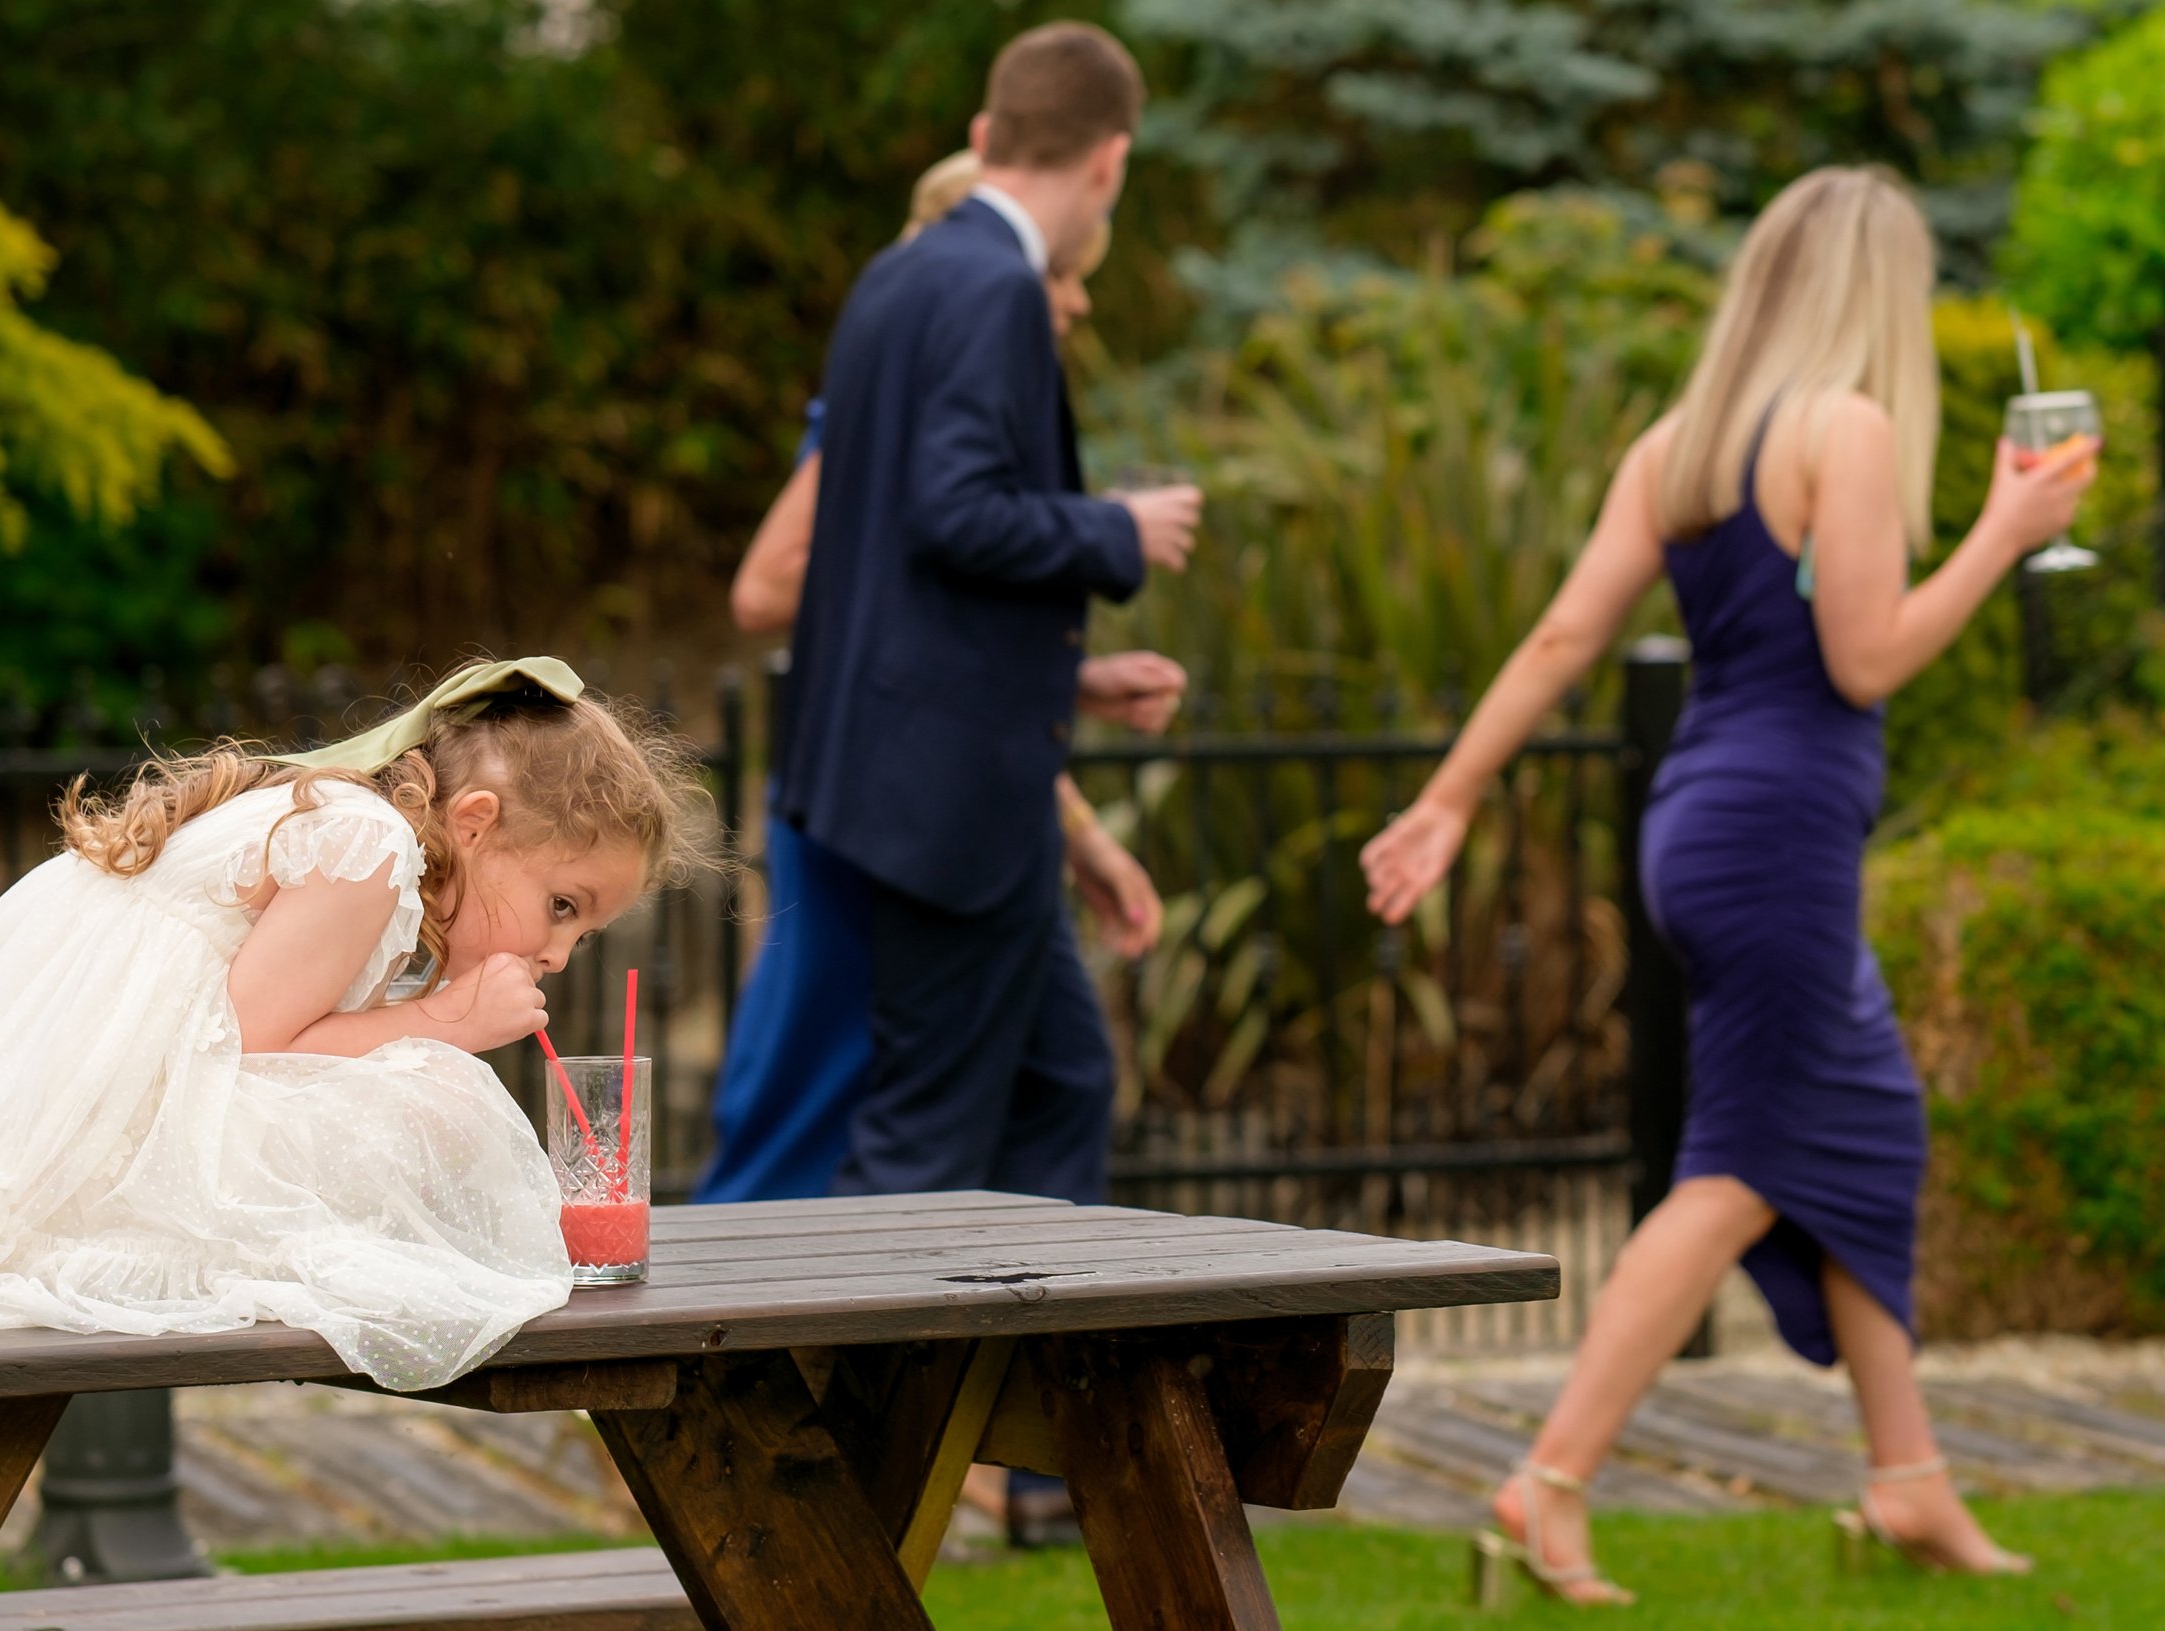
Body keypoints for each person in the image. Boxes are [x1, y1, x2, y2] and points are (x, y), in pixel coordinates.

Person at [1361, 166, 2097, 1603]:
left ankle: (1911, 1480)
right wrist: (2007, 541)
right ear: (1874, 291)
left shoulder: (1678, 444)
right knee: (1737, 1166)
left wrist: (1448, 796)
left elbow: (1567, 634)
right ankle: (1547, 1483)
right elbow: (1869, 660)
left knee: (1870, 1120)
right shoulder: (1852, 428)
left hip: (1698, 817)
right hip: (1780, 838)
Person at [0, 659, 710, 1393]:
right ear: (477, 822)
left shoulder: (365, 835)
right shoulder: (365, 845)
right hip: (92, 1109)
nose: (557, 952)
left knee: (419, 1093)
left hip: (85, 1081)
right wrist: (445, 1018)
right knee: (435, 1096)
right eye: (564, 906)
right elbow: (246, 1049)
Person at [697, 147, 1182, 1205]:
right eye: (1062, 276)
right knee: (823, 1091)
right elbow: (775, 589)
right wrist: (1108, 532)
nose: (1075, 301)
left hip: (954, 782)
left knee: (1046, 1078)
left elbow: (936, 617)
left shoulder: (932, 358)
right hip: (894, 792)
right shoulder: (912, 386)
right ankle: (758, 1339)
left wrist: (1078, 709)